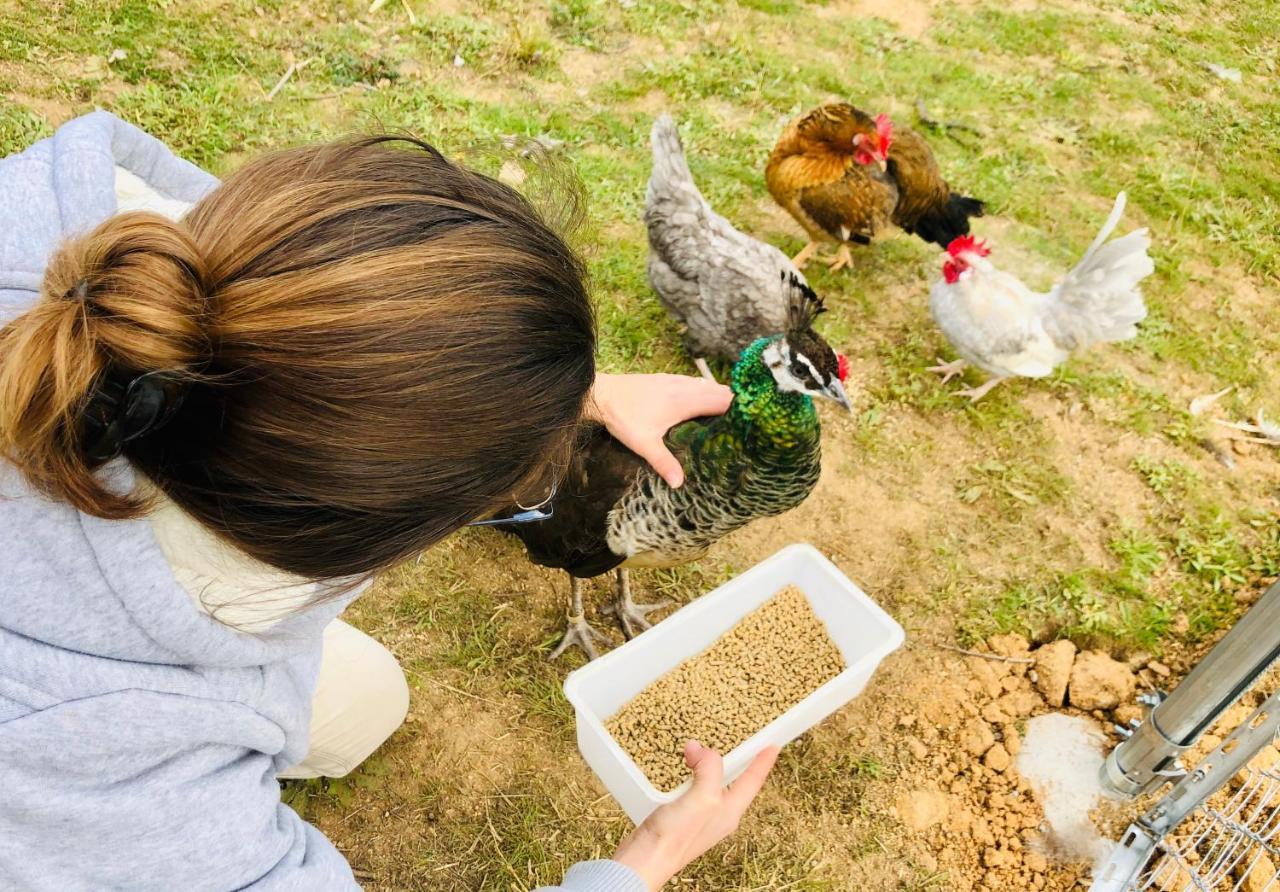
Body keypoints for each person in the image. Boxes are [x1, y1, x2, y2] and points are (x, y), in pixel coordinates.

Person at [0, 111, 780, 891]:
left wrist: (564, 396)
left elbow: (292, 322)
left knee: (370, 701)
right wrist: (647, 861)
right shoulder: (104, 767)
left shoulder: (91, 243)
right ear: (351, 535)